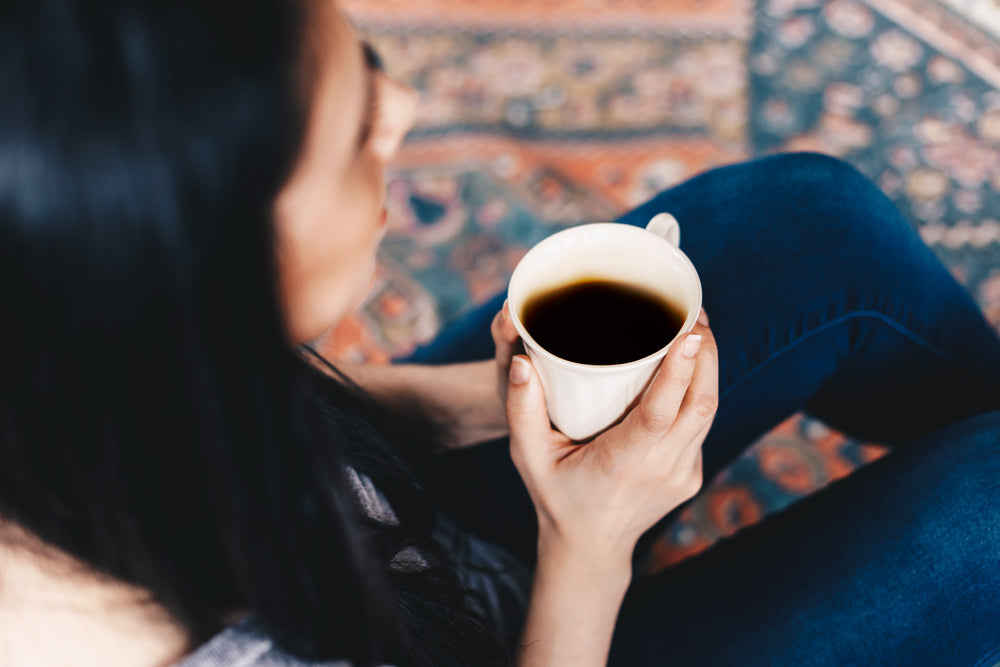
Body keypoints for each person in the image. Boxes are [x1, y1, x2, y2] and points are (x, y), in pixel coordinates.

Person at [1, 1, 998, 666]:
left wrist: (519, 396)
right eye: (355, 136)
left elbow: (287, 416)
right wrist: (589, 542)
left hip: (427, 557)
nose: (407, 107)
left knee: (805, 221)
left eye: (368, 62)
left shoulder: (64, 339)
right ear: (208, 278)